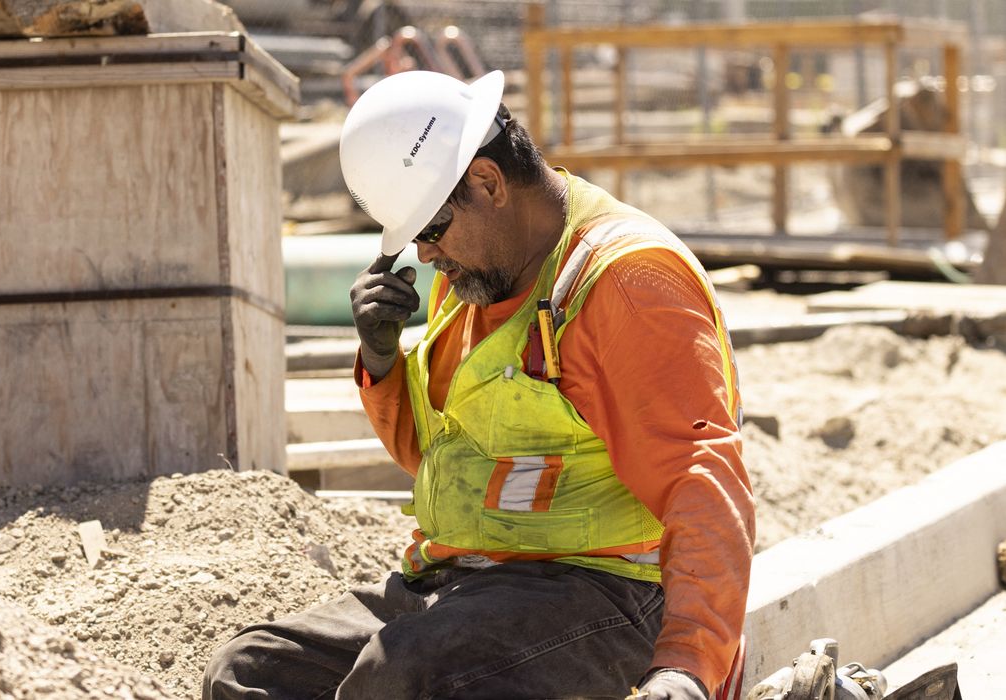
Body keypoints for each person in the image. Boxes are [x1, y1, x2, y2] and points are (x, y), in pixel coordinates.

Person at [203, 70, 754, 700]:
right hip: (462, 581)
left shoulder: (626, 283)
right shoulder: (477, 276)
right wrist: (381, 360)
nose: (425, 255)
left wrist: (687, 666)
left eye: (430, 230)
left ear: (488, 183)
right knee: (248, 670)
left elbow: (701, 479)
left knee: (402, 674)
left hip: (606, 592)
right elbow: (442, 458)